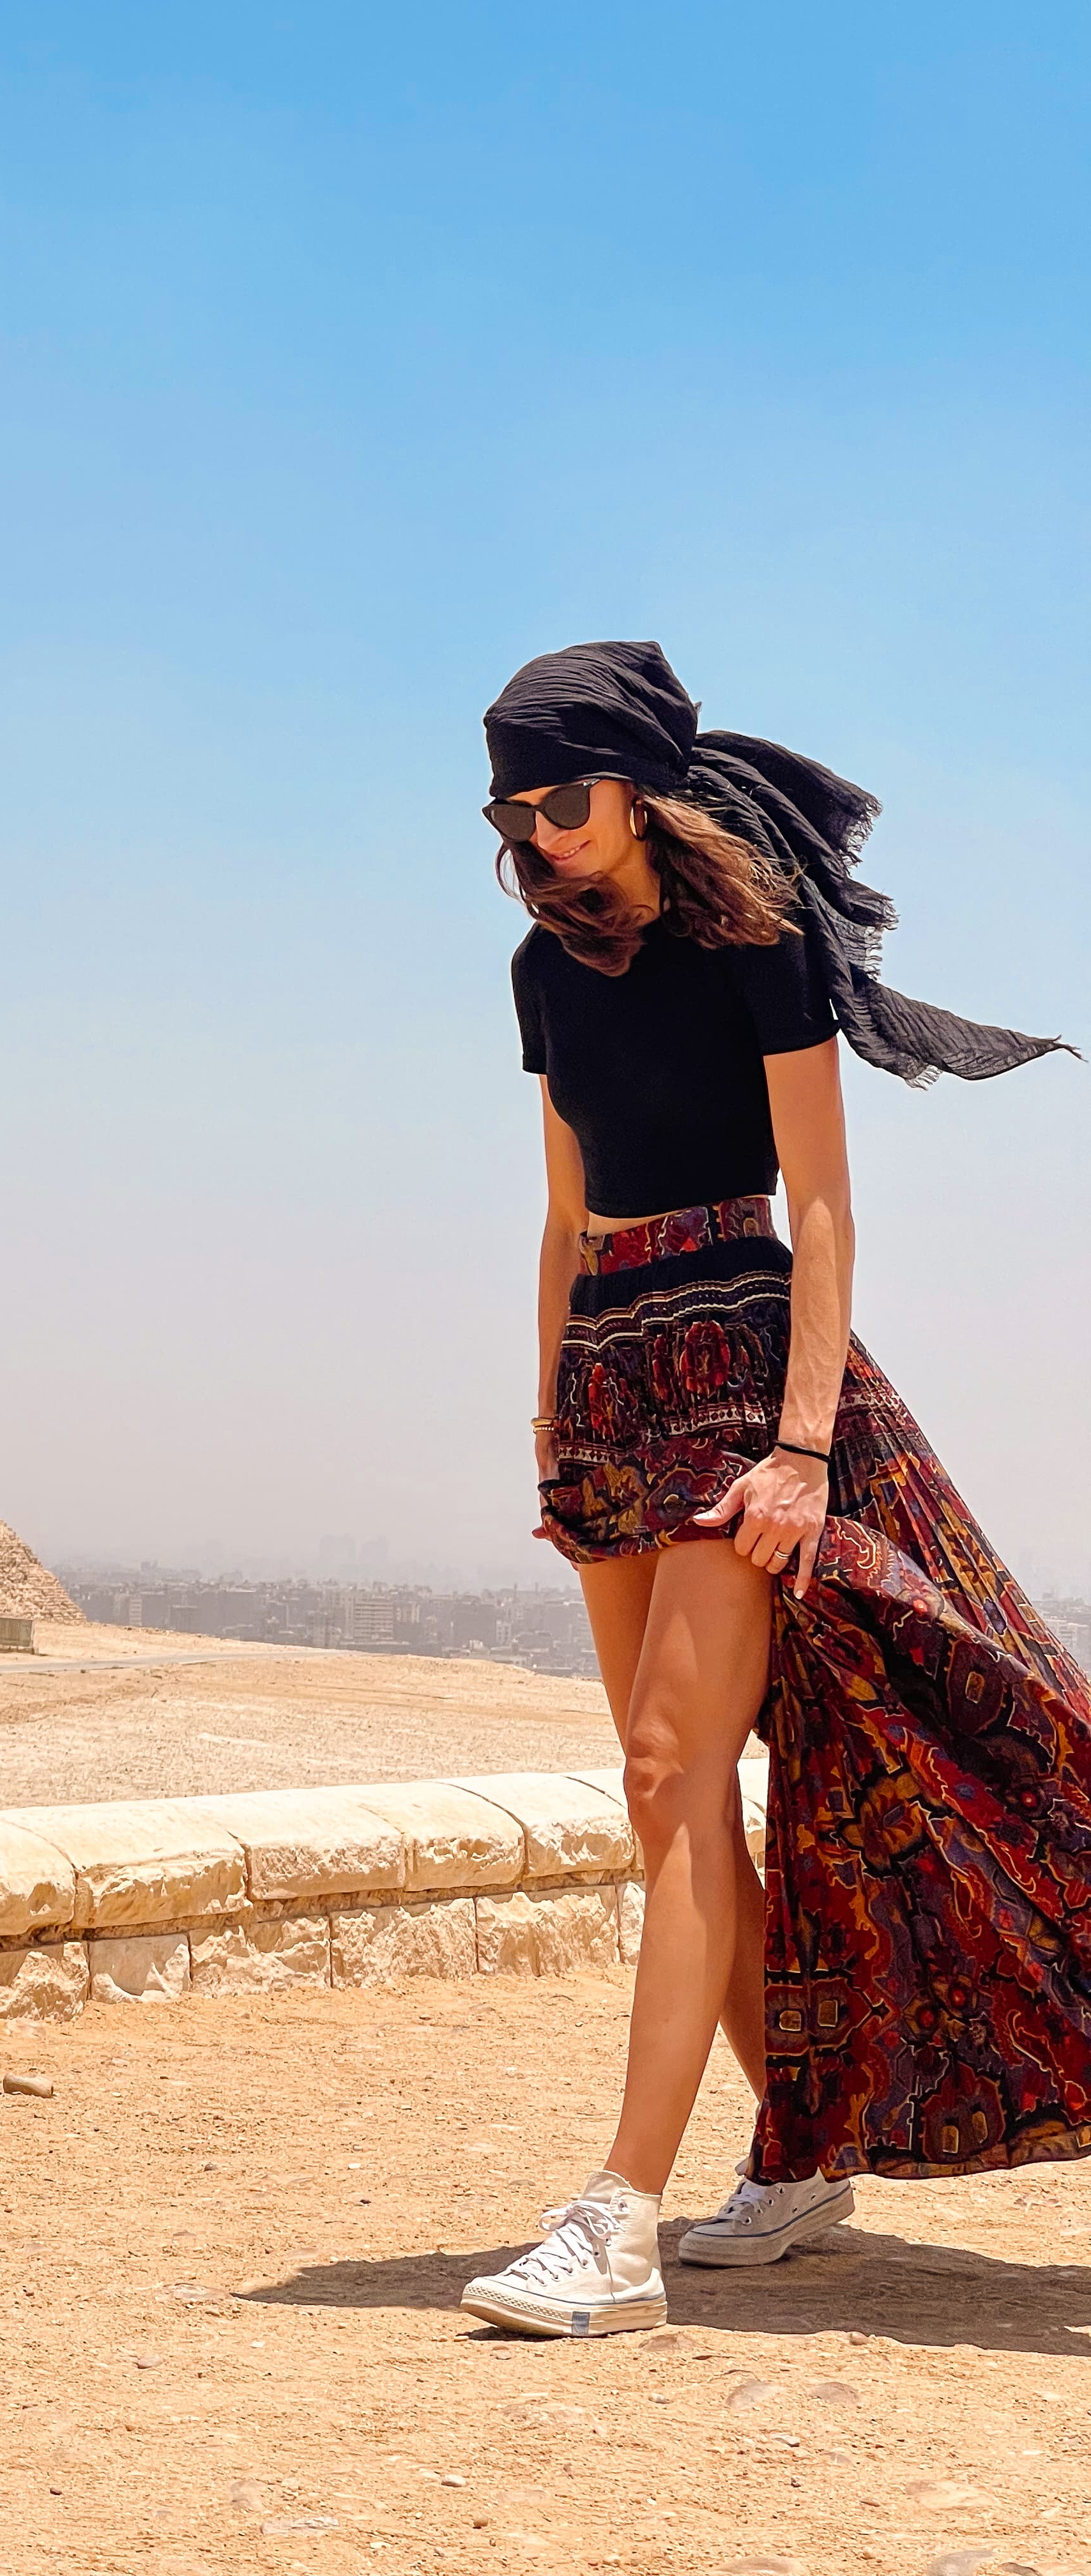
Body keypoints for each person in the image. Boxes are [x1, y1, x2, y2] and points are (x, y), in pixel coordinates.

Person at [456, 640, 1091, 2340]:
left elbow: (823, 1207)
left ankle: (616, 2221)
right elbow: (562, 1210)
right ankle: (801, 2158)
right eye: (511, 807)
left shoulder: (755, 948)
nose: (538, 832)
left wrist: (803, 1449)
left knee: (671, 1757)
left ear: (642, 786)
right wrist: (549, 1423)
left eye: (564, 797)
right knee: (671, 1796)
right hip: (610, 1378)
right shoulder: (543, 969)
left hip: (741, 1371)